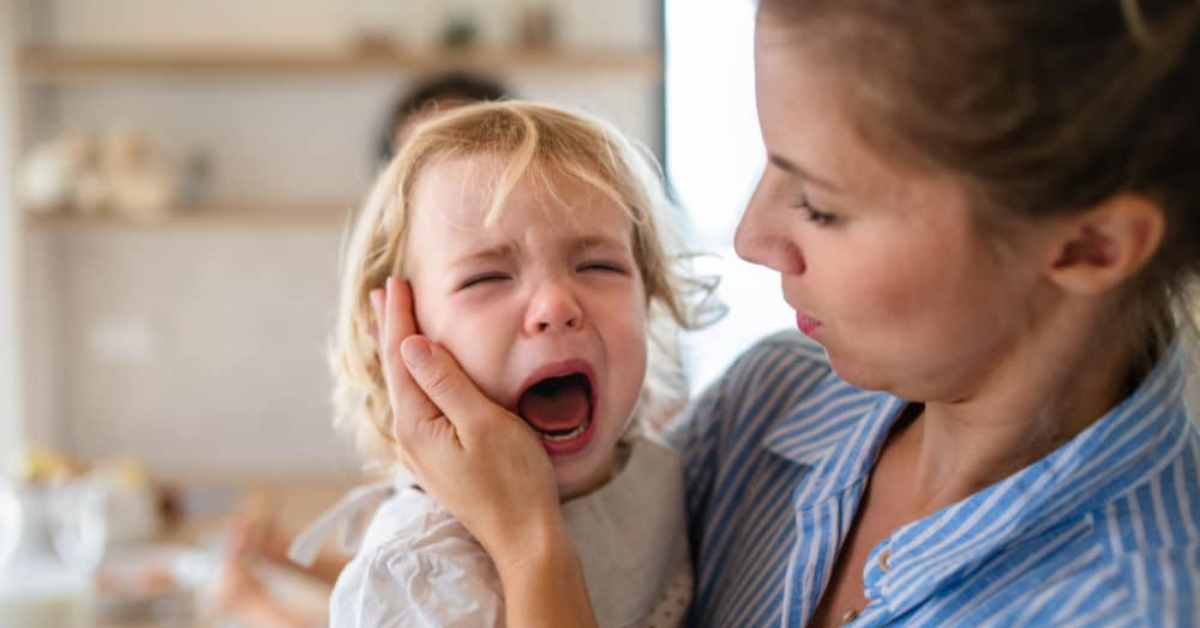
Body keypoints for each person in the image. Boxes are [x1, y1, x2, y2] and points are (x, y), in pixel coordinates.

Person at [369, 0, 1200, 626]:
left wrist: (530, 546)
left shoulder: (1129, 605)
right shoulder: (768, 403)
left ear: (1089, 245)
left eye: (822, 204)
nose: (752, 235)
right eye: (771, 161)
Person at [315, 100, 711, 628]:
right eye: (487, 278)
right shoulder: (421, 574)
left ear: (651, 297)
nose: (556, 307)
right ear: (398, 333)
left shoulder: (665, 474)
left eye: (598, 265)